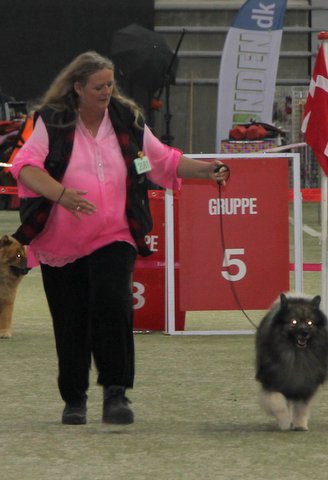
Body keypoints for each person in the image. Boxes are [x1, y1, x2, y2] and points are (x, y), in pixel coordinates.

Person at [10, 51, 229, 426]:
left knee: (114, 306)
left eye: (110, 84)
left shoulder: (128, 120)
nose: (107, 92)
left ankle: (116, 394)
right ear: (77, 88)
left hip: (116, 234)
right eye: (98, 86)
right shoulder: (50, 121)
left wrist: (208, 171)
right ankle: (74, 400)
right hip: (60, 241)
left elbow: (163, 160)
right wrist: (62, 194)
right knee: (70, 320)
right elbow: (25, 168)